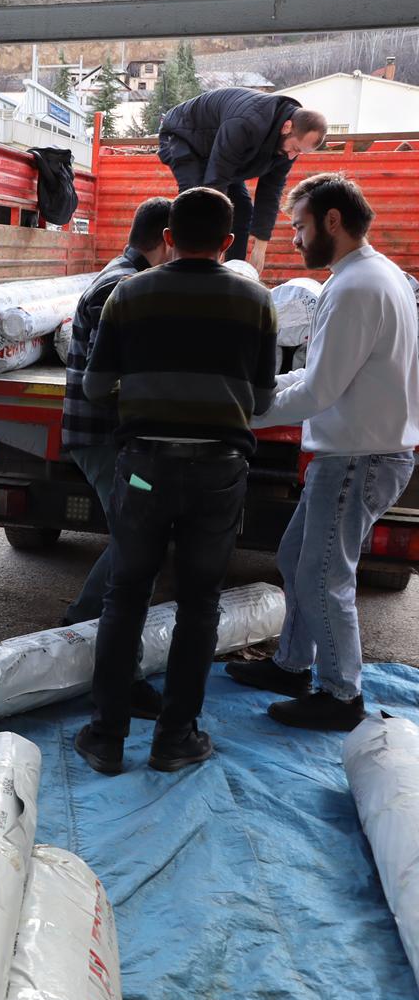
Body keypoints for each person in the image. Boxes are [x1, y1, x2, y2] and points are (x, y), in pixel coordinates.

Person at [72, 187, 279, 775]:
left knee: (126, 595)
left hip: (143, 472)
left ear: (168, 237)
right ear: (228, 242)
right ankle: (175, 739)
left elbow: (94, 387)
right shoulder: (257, 301)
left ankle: (106, 737)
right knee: (199, 603)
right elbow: (263, 399)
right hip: (219, 472)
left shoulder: (129, 294)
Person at [229, 174, 419, 730]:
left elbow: (319, 392)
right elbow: (319, 375)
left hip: (359, 456)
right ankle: (292, 665)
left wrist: (240, 414)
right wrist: (259, 393)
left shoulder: (356, 287)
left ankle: (340, 696)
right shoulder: (376, 275)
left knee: (323, 575)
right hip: (358, 452)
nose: (294, 238)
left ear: (332, 221)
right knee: (296, 559)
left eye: (299, 226)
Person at [59, 196, 172, 720]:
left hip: (111, 438)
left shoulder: (124, 278)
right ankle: (112, 667)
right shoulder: (121, 289)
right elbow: (114, 378)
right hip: (106, 440)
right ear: (167, 240)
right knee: (139, 541)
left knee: (138, 538)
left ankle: (83, 629)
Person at [157, 87, 327, 271]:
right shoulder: (246, 122)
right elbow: (216, 182)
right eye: (295, 148)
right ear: (287, 127)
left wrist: (260, 248)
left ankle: (232, 274)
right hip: (184, 136)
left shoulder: (287, 145)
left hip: (219, 150)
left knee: (242, 209)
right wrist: (214, 249)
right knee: (196, 204)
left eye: (299, 152)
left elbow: (270, 192)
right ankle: (180, 269)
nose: (292, 156)